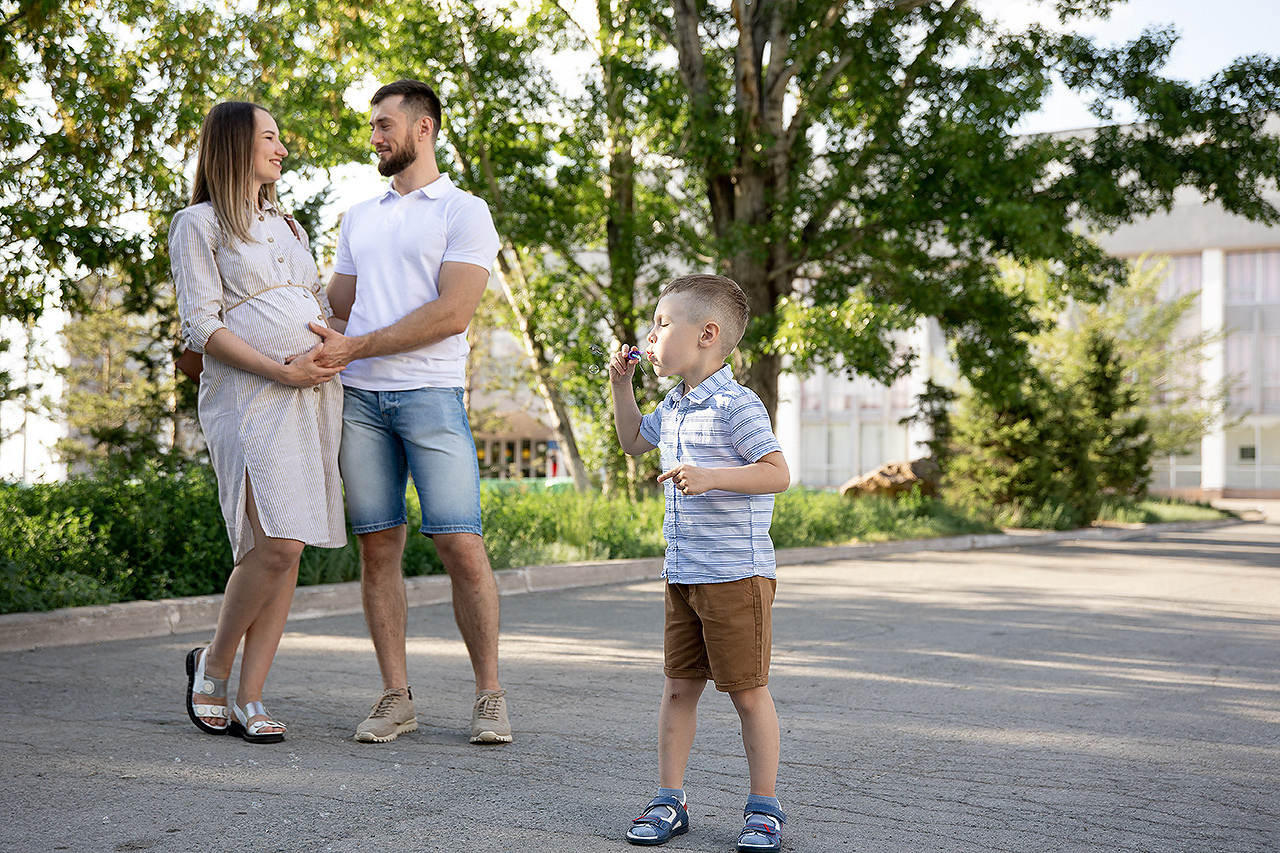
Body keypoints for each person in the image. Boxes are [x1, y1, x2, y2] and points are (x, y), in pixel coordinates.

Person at [305, 79, 510, 745]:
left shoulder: (463, 211)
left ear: (424, 129)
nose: (375, 136)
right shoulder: (358, 217)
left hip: (430, 396)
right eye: (373, 126)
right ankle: (396, 696)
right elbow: (334, 306)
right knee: (378, 548)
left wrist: (357, 343)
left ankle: (489, 695)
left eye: (386, 124)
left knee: (460, 542)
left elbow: (454, 313)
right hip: (360, 401)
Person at [171, 101, 347, 744]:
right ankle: (212, 668)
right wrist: (280, 369)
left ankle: (250, 695)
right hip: (249, 394)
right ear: (235, 147)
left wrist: (326, 351)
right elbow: (202, 326)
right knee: (267, 542)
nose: (281, 149)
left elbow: (320, 306)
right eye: (269, 138)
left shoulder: (292, 229)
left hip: (309, 396)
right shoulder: (199, 223)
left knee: (290, 545)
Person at [608, 274, 792, 851]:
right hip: (684, 574)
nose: (651, 333)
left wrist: (712, 477)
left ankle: (764, 807)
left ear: (706, 334)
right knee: (678, 689)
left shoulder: (737, 404)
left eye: (662, 324)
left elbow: (776, 473)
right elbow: (635, 440)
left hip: (735, 576)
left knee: (746, 692)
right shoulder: (676, 403)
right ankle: (671, 799)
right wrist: (622, 386)